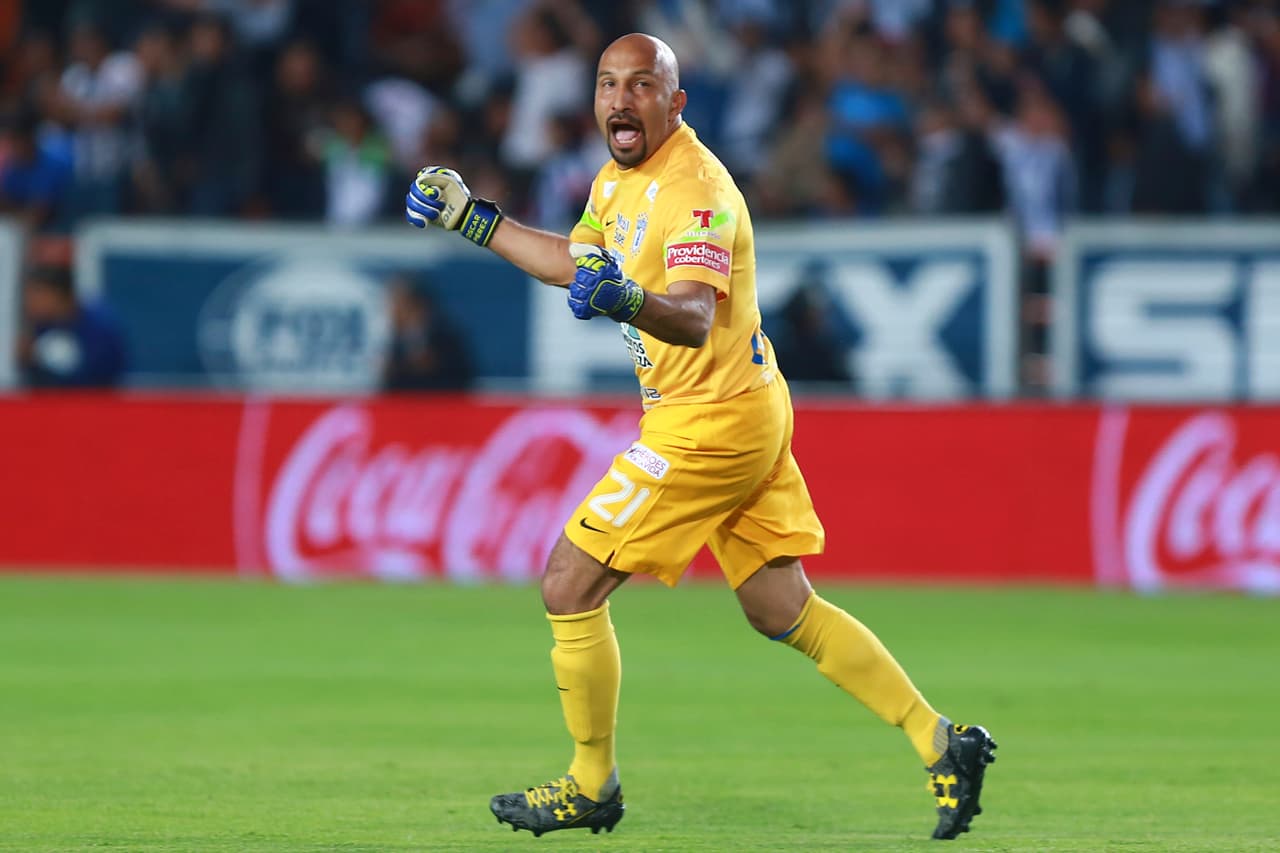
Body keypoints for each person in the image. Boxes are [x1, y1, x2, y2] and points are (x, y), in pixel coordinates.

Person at [404, 33, 996, 841]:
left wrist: (622, 298)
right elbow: (573, 261)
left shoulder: (699, 189)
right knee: (781, 607)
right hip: (740, 403)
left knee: (569, 582)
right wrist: (476, 220)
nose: (620, 99)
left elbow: (689, 313)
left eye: (640, 85)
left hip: (710, 420)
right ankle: (942, 740)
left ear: (675, 101)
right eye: (607, 84)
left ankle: (591, 783)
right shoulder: (616, 180)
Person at [17, 265, 126, 388]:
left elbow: (100, 378)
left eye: (38, 296)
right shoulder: (41, 327)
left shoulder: (100, 329)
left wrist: (39, 359)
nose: (30, 304)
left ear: (59, 295)